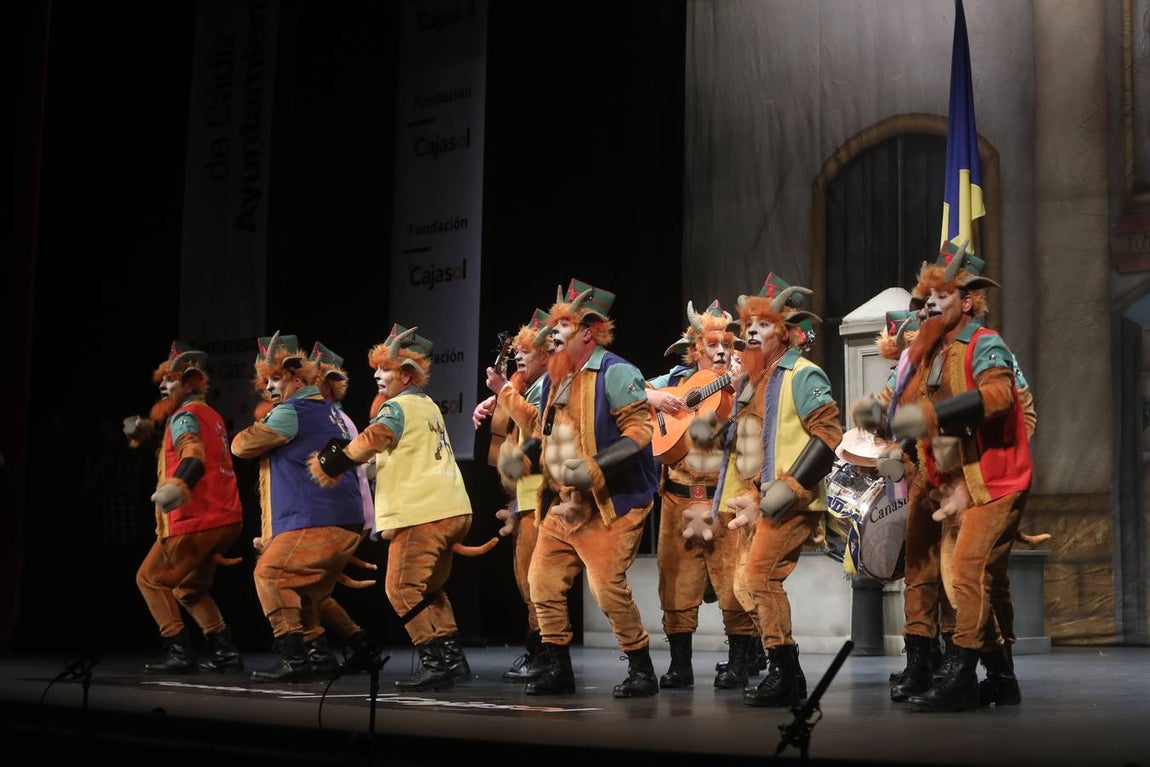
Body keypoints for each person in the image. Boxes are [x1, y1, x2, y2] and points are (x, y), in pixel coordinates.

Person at [863, 245, 1034, 713]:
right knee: (920, 570)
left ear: (968, 300)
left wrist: (931, 416)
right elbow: (899, 407)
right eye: (928, 297)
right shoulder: (924, 350)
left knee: (966, 574)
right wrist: (877, 417)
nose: (931, 305)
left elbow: (998, 396)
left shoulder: (986, 343)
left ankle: (962, 675)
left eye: (943, 296)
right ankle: (991, 676)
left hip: (988, 480)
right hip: (935, 476)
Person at [500, 279, 660, 697]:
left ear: (588, 332)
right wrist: (524, 455)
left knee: (606, 587)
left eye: (563, 326)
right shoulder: (555, 378)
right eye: (553, 326)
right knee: (542, 582)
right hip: (564, 503)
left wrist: (594, 467)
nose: (552, 334)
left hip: (614, 503)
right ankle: (558, 669)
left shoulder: (616, 371)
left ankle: (641, 667)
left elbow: (640, 433)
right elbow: (544, 430)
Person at [690, 273, 842, 708]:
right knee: (744, 586)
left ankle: (784, 674)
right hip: (758, 500)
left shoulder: (803, 374)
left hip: (791, 500)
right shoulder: (751, 380)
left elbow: (828, 435)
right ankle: (786, 670)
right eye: (750, 325)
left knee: (758, 578)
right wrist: (715, 434)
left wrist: (789, 489)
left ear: (787, 332)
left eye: (764, 324)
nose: (752, 332)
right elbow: (749, 438)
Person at [310, 324, 478, 692]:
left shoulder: (396, 407)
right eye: (377, 369)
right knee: (429, 589)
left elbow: (376, 436)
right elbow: (401, 451)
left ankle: (434, 662)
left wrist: (339, 460)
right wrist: (369, 465)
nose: (376, 375)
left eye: (385, 369)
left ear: (405, 375)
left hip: (423, 514)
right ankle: (454, 661)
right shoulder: (427, 405)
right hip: (453, 509)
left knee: (400, 588)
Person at [231, 332, 366, 682]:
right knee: (300, 586)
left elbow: (241, 446)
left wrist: (261, 422)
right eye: (266, 381)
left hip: (317, 518)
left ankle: (294, 658)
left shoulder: (292, 411)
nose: (269, 387)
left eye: (276, 378)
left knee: (269, 575)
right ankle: (319, 653)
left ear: (296, 378)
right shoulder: (330, 412)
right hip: (341, 518)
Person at [645, 299, 759, 690]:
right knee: (675, 583)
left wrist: (744, 389)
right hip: (677, 499)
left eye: (727, 344)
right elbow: (627, 391)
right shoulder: (676, 380)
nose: (722, 351)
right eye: (713, 345)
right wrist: (653, 398)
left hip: (723, 499)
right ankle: (680, 665)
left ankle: (740, 662)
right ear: (696, 350)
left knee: (732, 582)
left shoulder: (745, 380)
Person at [124, 341, 245, 674]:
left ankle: (179, 652)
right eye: (162, 380)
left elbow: (192, 455)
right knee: (189, 588)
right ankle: (225, 651)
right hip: (226, 517)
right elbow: (179, 451)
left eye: (171, 380)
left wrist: (178, 486)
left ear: (190, 384)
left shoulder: (184, 416)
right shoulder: (210, 415)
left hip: (198, 518)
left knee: (150, 579)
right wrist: (148, 435)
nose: (163, 386)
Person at [473, 309, 554, 683]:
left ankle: (545, 653)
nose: (519, 355)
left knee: (537, 579)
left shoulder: (551, 382)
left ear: (546, 354)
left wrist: (502, 392)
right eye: (517, 349)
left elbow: (535, 423)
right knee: (526, 578)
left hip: (542, 493)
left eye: (527, 350)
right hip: (526, 492)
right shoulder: (528, 386)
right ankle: (539, 651)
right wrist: (496, 401)